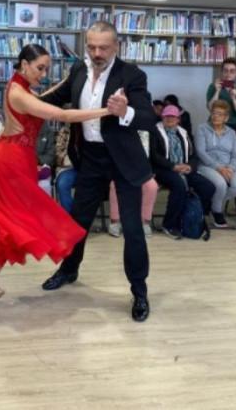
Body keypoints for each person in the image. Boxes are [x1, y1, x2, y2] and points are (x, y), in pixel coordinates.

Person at [0, 44, 111, 312]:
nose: (43, 74)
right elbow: (62, 115)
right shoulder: (19, 93)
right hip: (9, 163)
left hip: (18, 161)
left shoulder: (22, 88)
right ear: (24, 64)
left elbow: (48, 96)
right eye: (40, 68)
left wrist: (71, 77)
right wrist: (107, 111)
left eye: (46, 69)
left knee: (12, 228)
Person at [38, 21, 159, 322]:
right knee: (78, 221)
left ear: (116, 46)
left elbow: (147, 117)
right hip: (90, 158)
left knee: (132, 229)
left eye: (103, 47)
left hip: (123, 161)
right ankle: (69, 269)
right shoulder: (79, 70)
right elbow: (55, 98)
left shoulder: (132, 75)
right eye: (91, 46)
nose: (96, 52)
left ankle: (139, 292)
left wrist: (125, 112)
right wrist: (22, 100)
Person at [149, 105, 215, 237]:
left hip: (184, 168)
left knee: (208, 187)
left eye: (173, 116)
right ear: (162, 117)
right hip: (163, 169)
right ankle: (169, 224)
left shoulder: (184, 133)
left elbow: (193, 155)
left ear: (178, 119)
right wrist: (173, 166)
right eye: (167, 116)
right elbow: (154, 155)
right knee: (179, 185)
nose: (169, 119)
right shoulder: (154, 131)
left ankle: (195, 217)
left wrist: (190, 166)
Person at [195, 100, 236, 228]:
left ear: (226, 117)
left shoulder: (231, 132)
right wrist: (219, 168)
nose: (215, 116)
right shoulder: (202, 128)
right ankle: (217, 212)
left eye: (220, 114)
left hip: (228, 166)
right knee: (220, 184)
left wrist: (230, 168)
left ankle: (213, 204)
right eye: (214, 113)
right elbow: (200, 151)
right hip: (206, 165)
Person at [206, 57, 236, 134]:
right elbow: (210, 108)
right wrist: (217, 92)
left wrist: (233, 98)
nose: (228, 74)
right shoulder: (213, 86)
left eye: (232, 71)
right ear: (222, 72)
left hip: (234, 125)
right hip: (216, 123)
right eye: (225, 71)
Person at [35, 121, 56, 195]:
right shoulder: (23, 130)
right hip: (26, 166)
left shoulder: (48, 131)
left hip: (43, 166)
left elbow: (51, 154)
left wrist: (38, 160)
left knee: (44, 185)